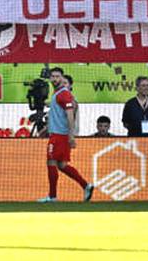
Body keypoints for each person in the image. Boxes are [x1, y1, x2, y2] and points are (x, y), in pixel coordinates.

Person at [38, 68, 94, 203]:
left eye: (58, 76)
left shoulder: (63, 94)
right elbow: (58, 115)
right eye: (53, 76)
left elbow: (70, 115)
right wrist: (47, 128)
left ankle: (52, 197)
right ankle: (86, 185)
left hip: (60, 136)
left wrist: (71, 135)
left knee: (51, 162)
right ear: (50, 79)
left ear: (62, 79)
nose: (55, 79)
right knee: (62, 165)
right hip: (57, 134)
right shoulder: (57, 94)